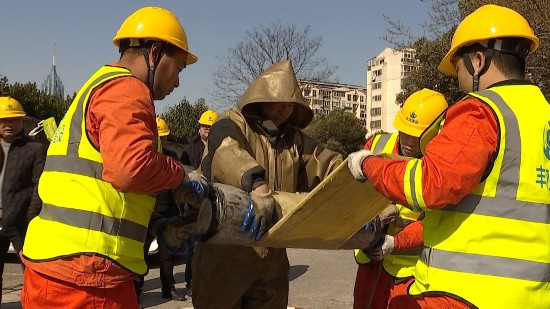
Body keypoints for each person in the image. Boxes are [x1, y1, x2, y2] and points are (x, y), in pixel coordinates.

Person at [348, 4, 550, 308]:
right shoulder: (542, 115)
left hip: (465, 294)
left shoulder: (482, 111)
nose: (459, 81)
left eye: (458, 69)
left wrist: (369, 164)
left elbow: (429, 183)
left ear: (478, 61)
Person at [20, 7, 203, 308]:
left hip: (50, 269)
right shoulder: (128, 89)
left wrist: (154, 219)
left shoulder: (96, 86)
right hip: (88, 276)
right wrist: (181, 174)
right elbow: (130, 170)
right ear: (155, 52)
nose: (178, 82)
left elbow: (98, 181)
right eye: (179, 68)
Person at [193, 60, 343, 308]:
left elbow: (326, 164)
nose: (285, 109)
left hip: (272, 260)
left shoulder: (294, 140)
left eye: (290, 104)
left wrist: (359, 174)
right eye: (279, 101)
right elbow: (225, 152)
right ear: (261, 97)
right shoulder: (232, 122)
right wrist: (256, 183)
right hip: (223, 258)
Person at [353, 89, 448, 309]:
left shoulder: (439, 168)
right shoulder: (376, 146)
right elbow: (353, 193)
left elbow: (435, 224)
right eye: (405, 132)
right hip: (369, 263)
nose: (409, 142)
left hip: (409, 273)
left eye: (418, 136)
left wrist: (395, 241)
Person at [0, 97, 46, 304]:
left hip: (21, 223)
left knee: (32, 272)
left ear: (22, 121)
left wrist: (30, 216)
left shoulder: (34, 149)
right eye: (4, 120)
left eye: (13, 120)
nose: (9, 125)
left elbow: (39, 186)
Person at [179, 109, 218, 296]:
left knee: (215, 244)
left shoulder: (223, 147)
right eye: (204, 127)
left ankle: (211, 282)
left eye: (211, 127)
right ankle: (191, 281)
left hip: (216, 201)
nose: (207, 130)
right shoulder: (190, 148)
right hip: (194, 203)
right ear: (199, 127)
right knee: (193, 246)